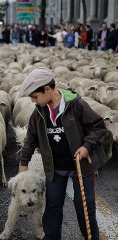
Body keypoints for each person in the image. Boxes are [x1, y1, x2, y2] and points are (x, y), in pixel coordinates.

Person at [17, 67, 106, 240]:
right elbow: (30, 140)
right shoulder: (38, 114)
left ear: (48, 90)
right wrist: (23, 164)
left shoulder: (77, 105)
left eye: (35, 96)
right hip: (55, 167)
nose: (34, 101)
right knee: (52, 205)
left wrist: (87, 146)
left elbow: (98, 127)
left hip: (81, 165)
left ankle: (91, 237)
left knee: (84, 206)